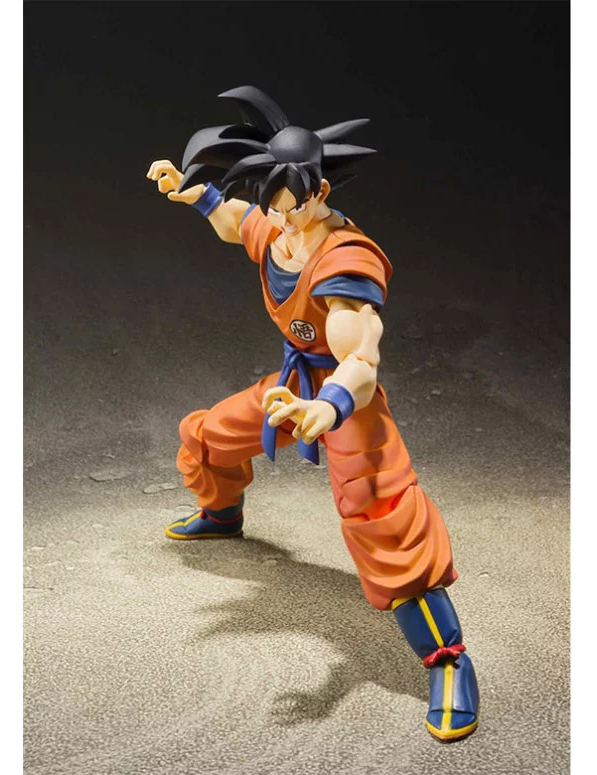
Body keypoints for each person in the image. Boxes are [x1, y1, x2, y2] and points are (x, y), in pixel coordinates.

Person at [146, 85, 479, 741]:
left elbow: (361, 360)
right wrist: (197, 194)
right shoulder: (277, 226)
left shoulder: (345, 262)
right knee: (208, 436)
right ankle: (222, 513)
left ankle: (449, 664)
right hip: (292, 387)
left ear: (320, 191)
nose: (282, 219)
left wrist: (327, 407)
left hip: (346, 402)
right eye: (273, 205)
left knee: (386, 525)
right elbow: (236, 220)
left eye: (293, 206)